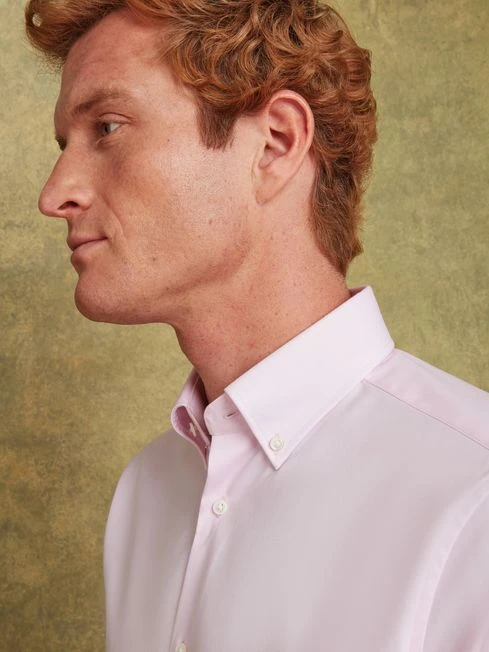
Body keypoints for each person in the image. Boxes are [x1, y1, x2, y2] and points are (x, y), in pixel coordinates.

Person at [25, 0, 489, 650]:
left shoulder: (473, 497)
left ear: (274, 144)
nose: (54, 195)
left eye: (107, 127)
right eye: (64, 145)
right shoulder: (148, 491)